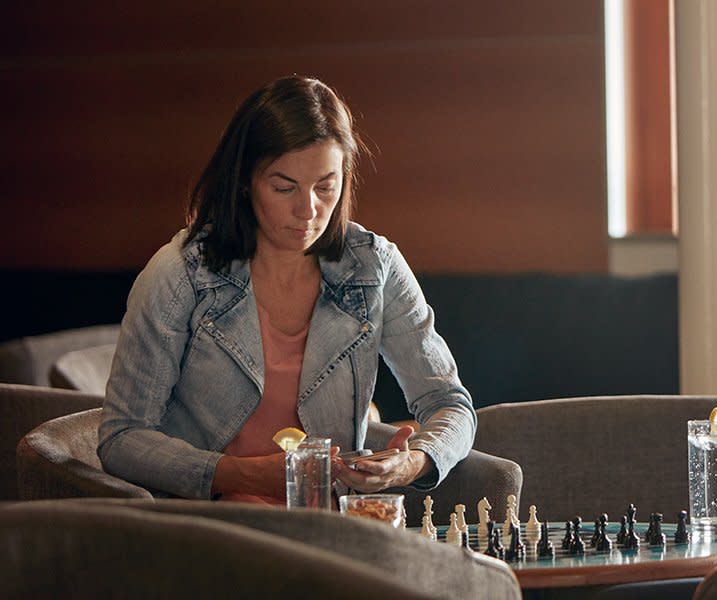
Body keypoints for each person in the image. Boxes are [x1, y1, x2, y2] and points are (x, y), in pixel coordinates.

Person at [98, 76, 476, 503]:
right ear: (245, 181)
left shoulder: (375, 267)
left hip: (326, 524)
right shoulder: (181, 272)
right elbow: (122, 438)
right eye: (284, 187)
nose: (308, 210)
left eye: (325, 186)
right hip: (209, 529)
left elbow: (450, 404)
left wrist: (411, 463)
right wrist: (237, 475)